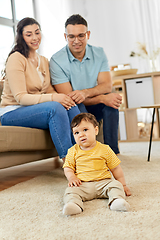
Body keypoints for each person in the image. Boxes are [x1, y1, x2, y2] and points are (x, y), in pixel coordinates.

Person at [0, 17, 81, 161]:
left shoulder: (43, 60)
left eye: (37, 33)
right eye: (29, 34)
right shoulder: (16, 58)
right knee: (55, 108)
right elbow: (21, 97)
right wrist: (54, 98)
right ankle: (70, 163)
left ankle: (85, 156)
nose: (35, 37)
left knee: (70, 105)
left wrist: (63, 98)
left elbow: (49, 90)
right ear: (21, 37)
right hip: (12, 112)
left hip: (34, 110)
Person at [49, 14, 122, 155]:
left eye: (81, 35)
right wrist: (101, 98)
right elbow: (69, 97)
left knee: (111, 103)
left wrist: (85, 93)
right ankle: (87, 154)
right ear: (65, 37)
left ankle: (112, 153)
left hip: (91, 101)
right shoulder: (56, 60)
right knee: (79, 107)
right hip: (74, 105)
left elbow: (106, 85)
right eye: (71, 37)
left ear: (88, 34)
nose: (76, 41)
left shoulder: (99, 53)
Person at [62, 113, 131, 216]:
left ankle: (116, 201)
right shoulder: (72, 151)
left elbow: (116, 168)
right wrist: (72, 178)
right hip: (82, 184)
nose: (81, 135)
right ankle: (74, 205)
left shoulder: (105, 149)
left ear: (96, 130)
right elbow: (68, 168)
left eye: (85, 130)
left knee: (116, 185)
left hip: (104, 183)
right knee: (70, 191)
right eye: (76, 132)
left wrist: (123, 185)